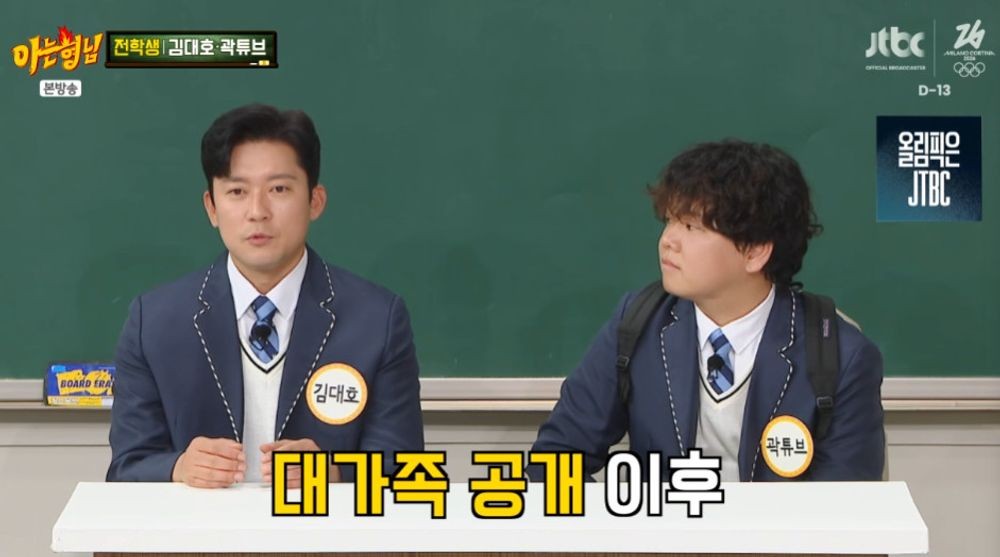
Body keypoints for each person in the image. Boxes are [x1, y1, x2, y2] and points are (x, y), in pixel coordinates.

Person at [530, 139, 885, 481]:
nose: (667, 241)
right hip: (664, 523)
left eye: (690, 226)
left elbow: (847, 502)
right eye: (668, 220)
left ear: (755, 251)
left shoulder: (840, 355)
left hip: (782, 527)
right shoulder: (638, 324)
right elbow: (555, 460)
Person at [108, 103, 424, 487]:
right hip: (201, 525)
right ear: (211, 207)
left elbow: (403, 470)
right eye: (237, 191)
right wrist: (179, 468)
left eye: (279, 189)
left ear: (315, 201)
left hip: (320, 523)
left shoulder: (376, 319)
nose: (257, 211)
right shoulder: (155, 321)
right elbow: (127, 467)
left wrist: (333, 471)